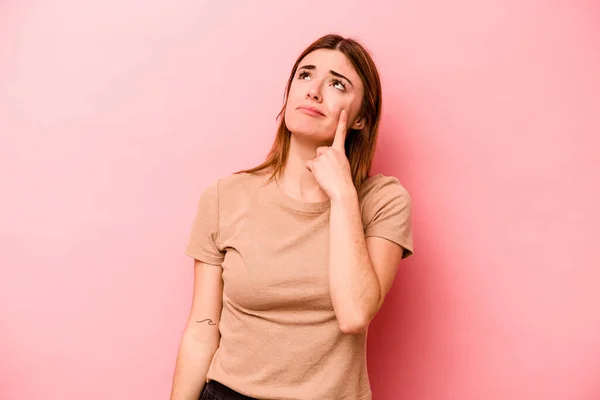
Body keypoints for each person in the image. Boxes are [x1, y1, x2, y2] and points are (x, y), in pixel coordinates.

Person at [170, 33, 414, 400]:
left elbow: (354, 314)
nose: (314, 91)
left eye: (336, 84)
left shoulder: (383, 201)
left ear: (362, 117)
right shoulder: (225, 197)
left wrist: (343, 194)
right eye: (305, 75)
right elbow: (203, 328)